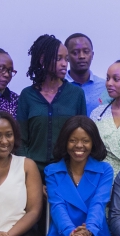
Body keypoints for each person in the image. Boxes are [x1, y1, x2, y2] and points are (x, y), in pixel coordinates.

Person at [18, 34, 88, 172]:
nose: (64, 64)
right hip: (32, 170)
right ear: (43, 60)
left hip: (67, 170)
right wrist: (28, 172)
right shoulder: (27, 95)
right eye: (58, 59)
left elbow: (83, 135)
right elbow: (20, 140)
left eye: (66, 59)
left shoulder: (76, 94)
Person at [65, 33, 110, 116]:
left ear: (92, 55)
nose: (82, 56)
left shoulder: (105, 86)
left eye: (86, 52)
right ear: (66, 57)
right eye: (75, 52)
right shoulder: (59, 86)